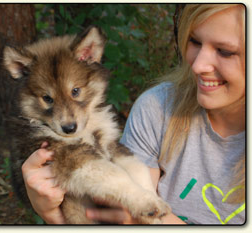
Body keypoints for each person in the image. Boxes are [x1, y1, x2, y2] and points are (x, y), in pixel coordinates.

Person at [21, 4, 245, 224]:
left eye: (225, 51)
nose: (198, 66)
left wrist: (152, 219)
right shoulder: (157, 109)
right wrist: (54, 216)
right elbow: (115, 198)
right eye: (194, 41)